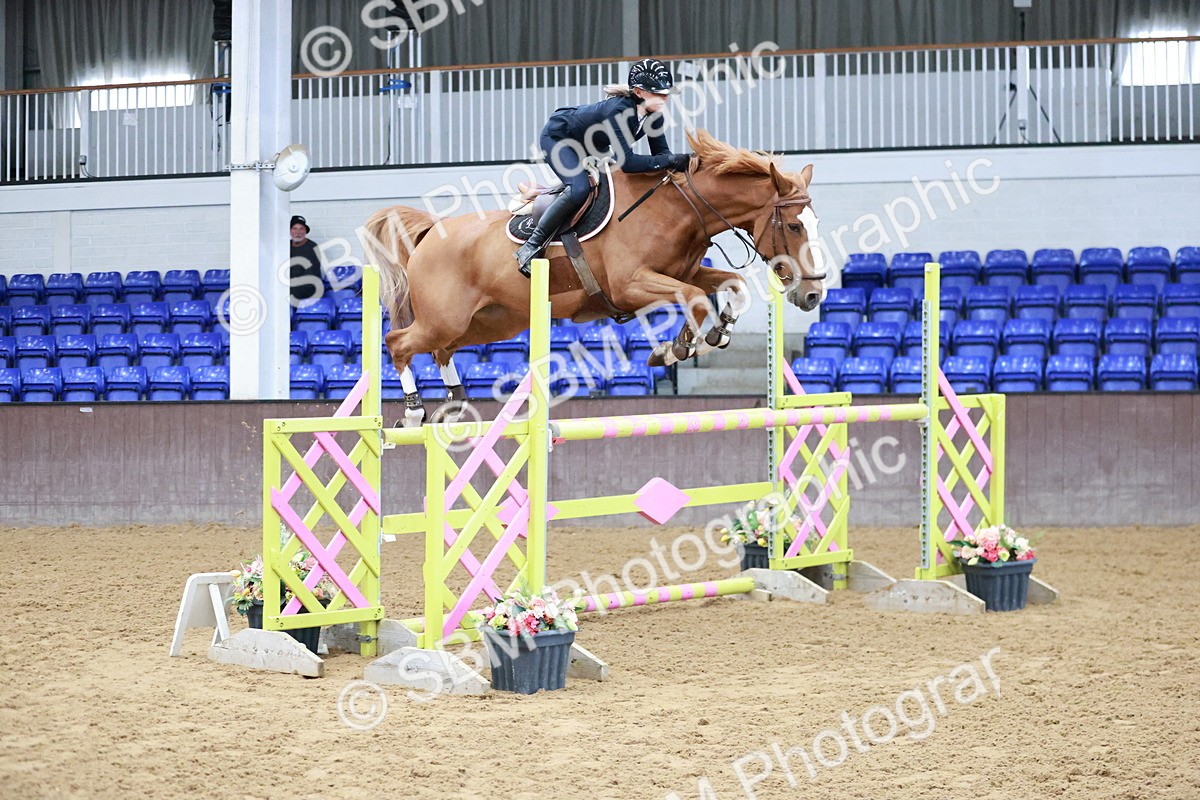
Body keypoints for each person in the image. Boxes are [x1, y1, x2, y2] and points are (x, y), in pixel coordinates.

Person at [514, 58, 692, 277]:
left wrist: (684, 164)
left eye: (666, 93)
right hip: (559, 139)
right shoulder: (618, 111)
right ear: (639, 92)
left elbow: (662, 156)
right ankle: (530, 246)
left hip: (592, 146)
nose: (665, 98)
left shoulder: (654, 117)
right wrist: (671, 160)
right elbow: (627, 163)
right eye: (659, 93)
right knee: (579, 188)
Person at [288, 215, 323, 305]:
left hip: (308, 286)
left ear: (305, 231)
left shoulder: (312, 247)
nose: (298, 232)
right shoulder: (285, 247)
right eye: (294, 229)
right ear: (290, 231)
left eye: (301, 229)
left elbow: (312, 274)